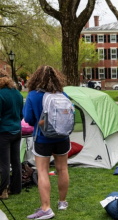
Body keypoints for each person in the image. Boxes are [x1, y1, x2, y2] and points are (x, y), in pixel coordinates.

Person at [24, 66, 71, 219]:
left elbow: (29, 119)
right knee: (62, 169)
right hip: (62, 137)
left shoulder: (33, 95)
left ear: (36, 78)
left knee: (43, 171)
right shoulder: (62, 94)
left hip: (43, 138)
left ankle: (46, 208)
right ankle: (62, 202)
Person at [0, 69, 23, 200]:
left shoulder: (0, 94)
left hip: (4, 132)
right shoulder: (18, 94)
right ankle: (16, 188)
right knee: (16, 161)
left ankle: (3, 191)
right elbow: (21, 115)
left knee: (4, 163)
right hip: (17, 130)